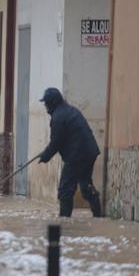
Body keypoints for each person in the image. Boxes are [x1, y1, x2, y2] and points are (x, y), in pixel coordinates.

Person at [38, 87, 103, 218]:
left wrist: (45, 156)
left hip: (77, 155)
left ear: (52, 102)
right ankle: (99, 216)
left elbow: (56, 142)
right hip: (89, 152)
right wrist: (46, 154)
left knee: (65, 189)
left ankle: (64, 221)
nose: (45, 106)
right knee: (85, 186)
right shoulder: (70, 110)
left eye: (46, 103)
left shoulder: (58, 117)